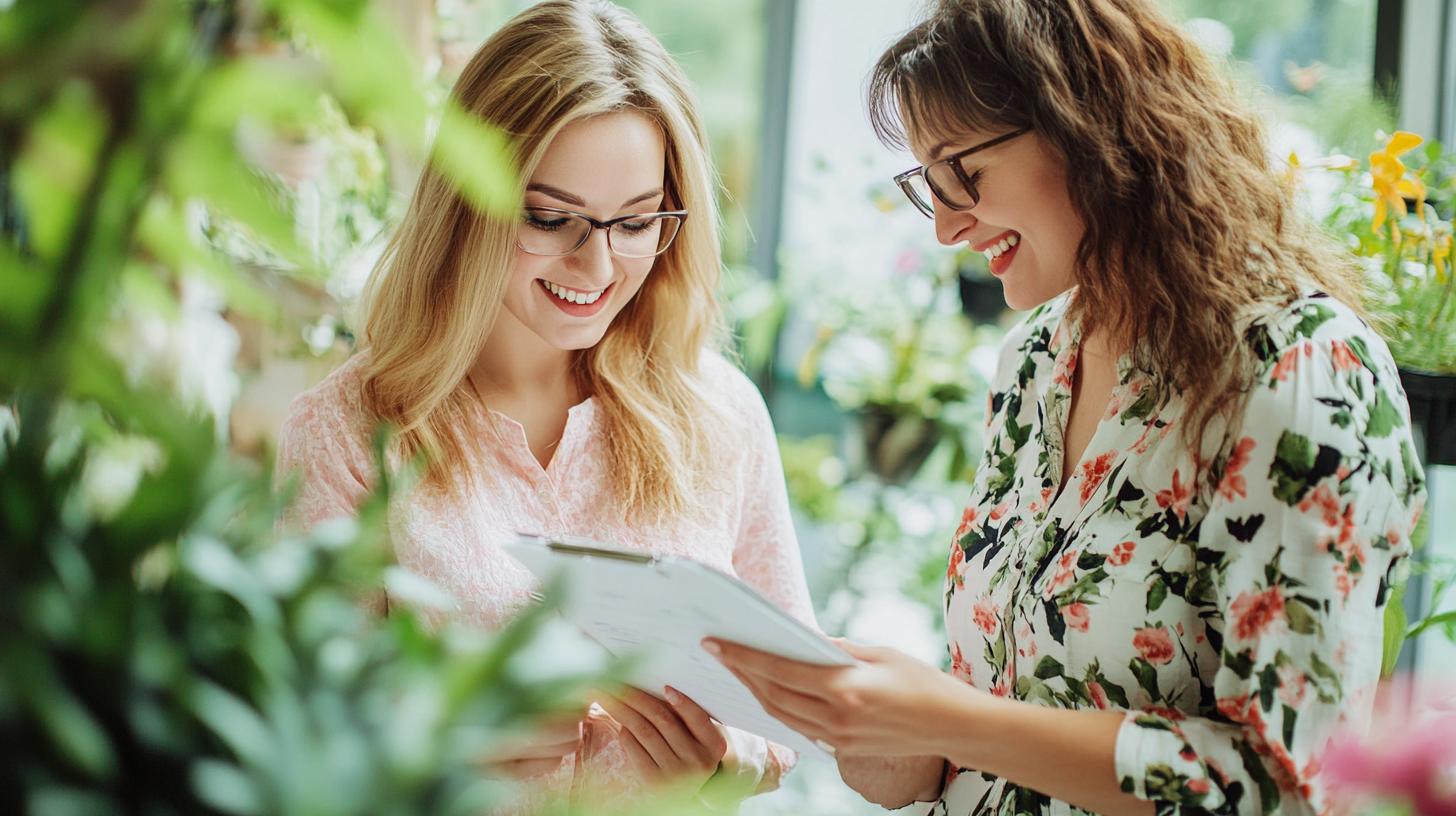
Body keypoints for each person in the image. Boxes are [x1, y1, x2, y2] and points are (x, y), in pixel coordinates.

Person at [707, 1, 1429, 814]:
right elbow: (1001, 721)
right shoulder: (1036, 360)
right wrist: (885, 735)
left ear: (1089, 130)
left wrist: (951, 717)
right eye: (927, 184)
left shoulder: (1298, 371)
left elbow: (1287, 787)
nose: (945, 225)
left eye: (962, 174)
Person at [274, 0, 816, 811]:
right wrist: (438, 740)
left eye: (636, 222)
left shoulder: (720, 414)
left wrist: (723, 766)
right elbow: (291, 733)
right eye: (550, 217)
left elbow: (791, 706)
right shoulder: (349, 431)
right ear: (467, 200)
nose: (597, 264)